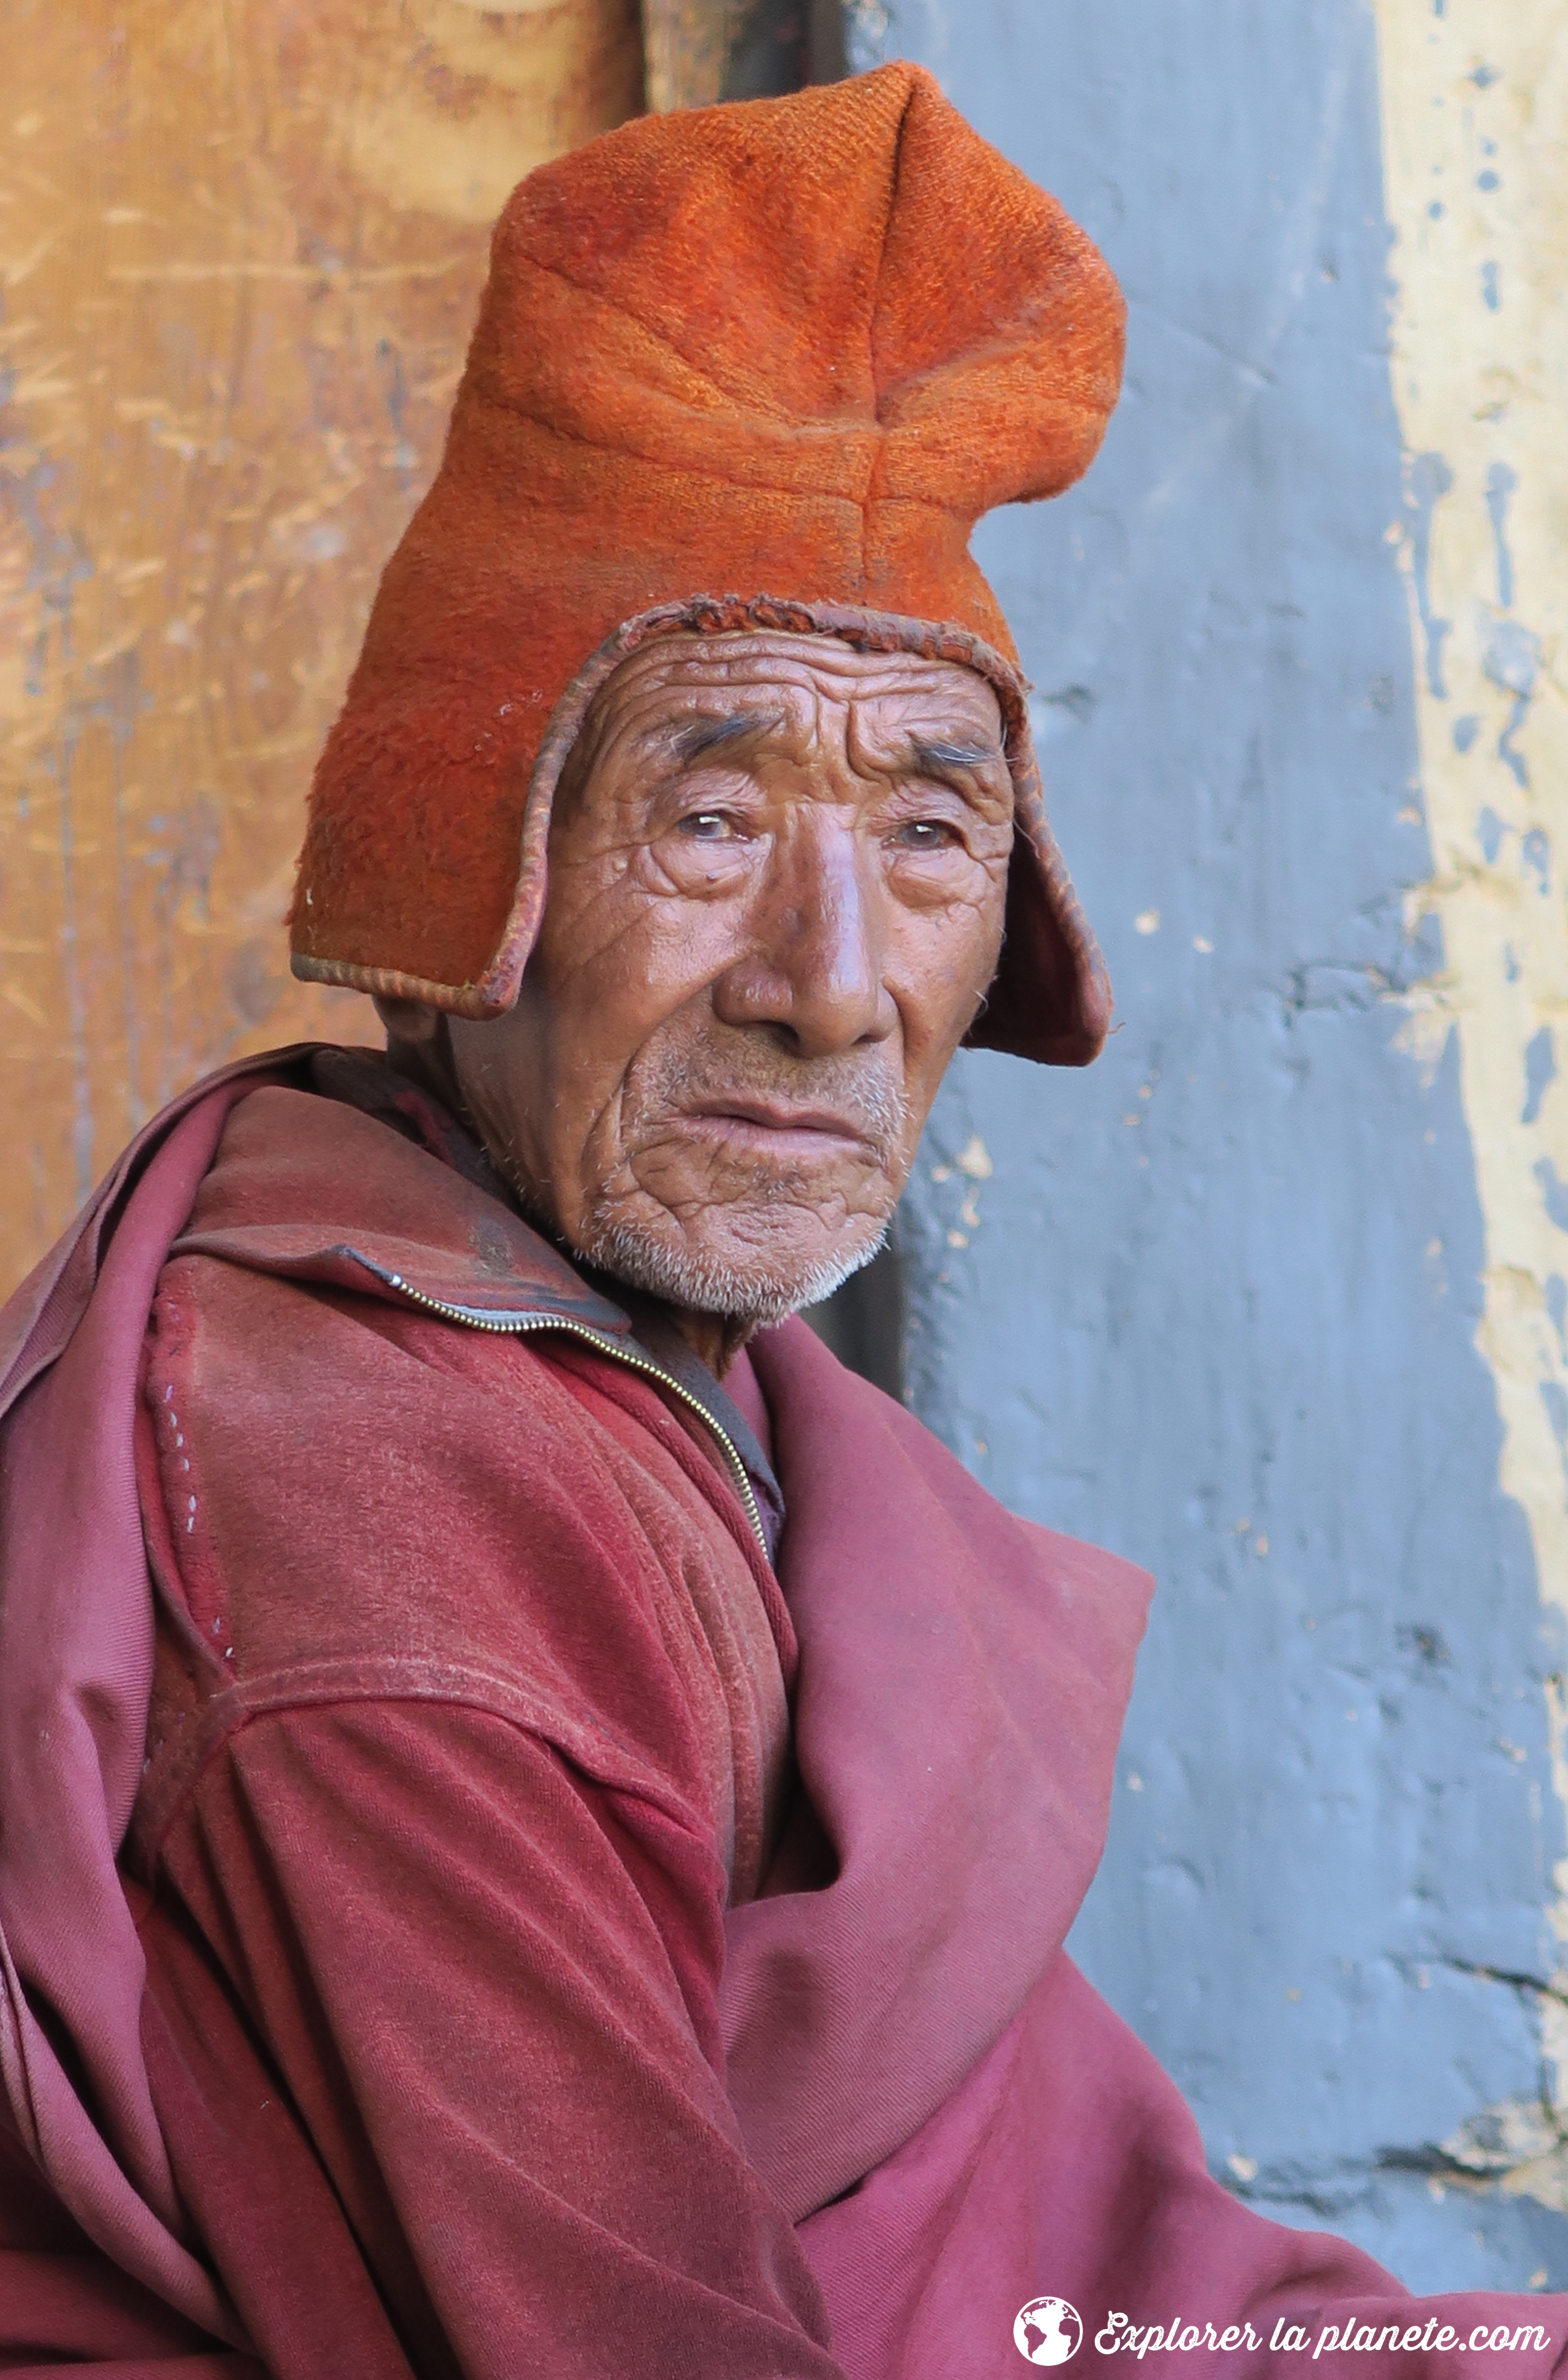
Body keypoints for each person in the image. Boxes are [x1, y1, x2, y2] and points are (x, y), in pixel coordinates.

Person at [0, 60, 1563, 2380]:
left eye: (928, 837)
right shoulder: (378, 1526)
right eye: (711, 817)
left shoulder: (618, 1361)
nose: (832, 989)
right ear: (474, 893)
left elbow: (1090, 2280)